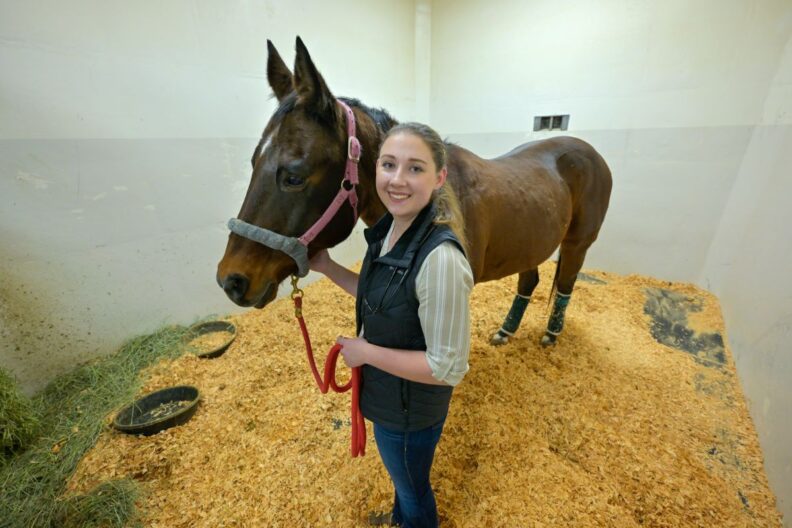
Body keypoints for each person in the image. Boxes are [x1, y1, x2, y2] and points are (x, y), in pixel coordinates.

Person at [309, 122, 474, 527]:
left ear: (439, 178)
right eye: (389, 165)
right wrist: (327, 267)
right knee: (405, 485)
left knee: (413, 488)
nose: (398, 180)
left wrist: (366, 353)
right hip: (390, 398)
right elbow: (384, 299)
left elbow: (447, 367)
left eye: (415, 168)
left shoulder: (441, 260)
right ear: (375, 171)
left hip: (409, 411)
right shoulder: (391, 231)